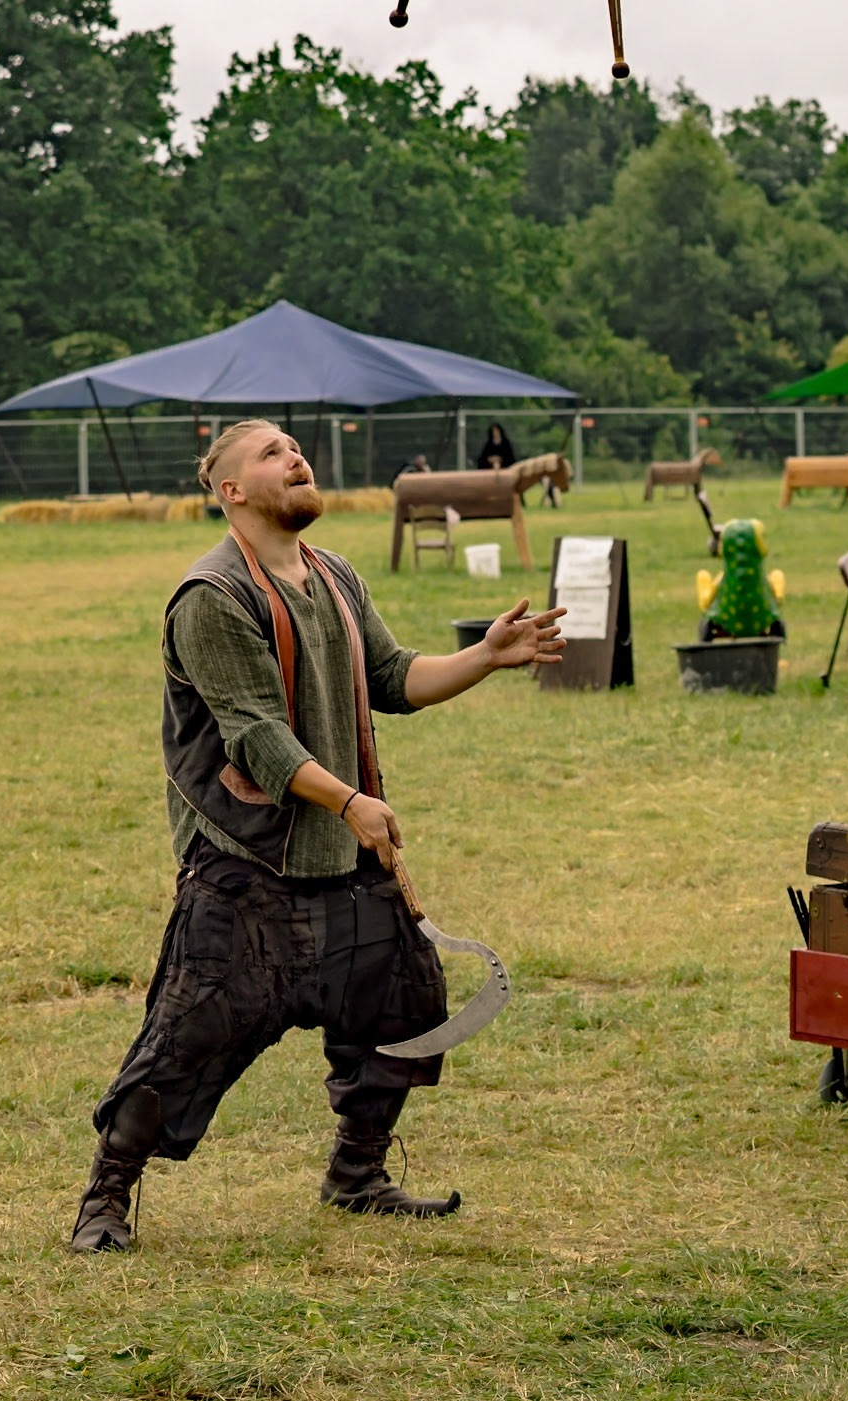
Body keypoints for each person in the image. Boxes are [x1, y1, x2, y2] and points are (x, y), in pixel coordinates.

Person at [71, 419, 566, 1252]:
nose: (295, 456)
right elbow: (258, 737)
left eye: (295, 446)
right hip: (243, 866)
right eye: (270, 452)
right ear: (229, 490)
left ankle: (356, 1173)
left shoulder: (334, 575)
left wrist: (484, 655)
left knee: (403, 1005)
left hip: (342, 856)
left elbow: (392, 677)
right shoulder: (211, 597)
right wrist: (350, 802)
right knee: (182, 1043)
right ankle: (104, 1199)